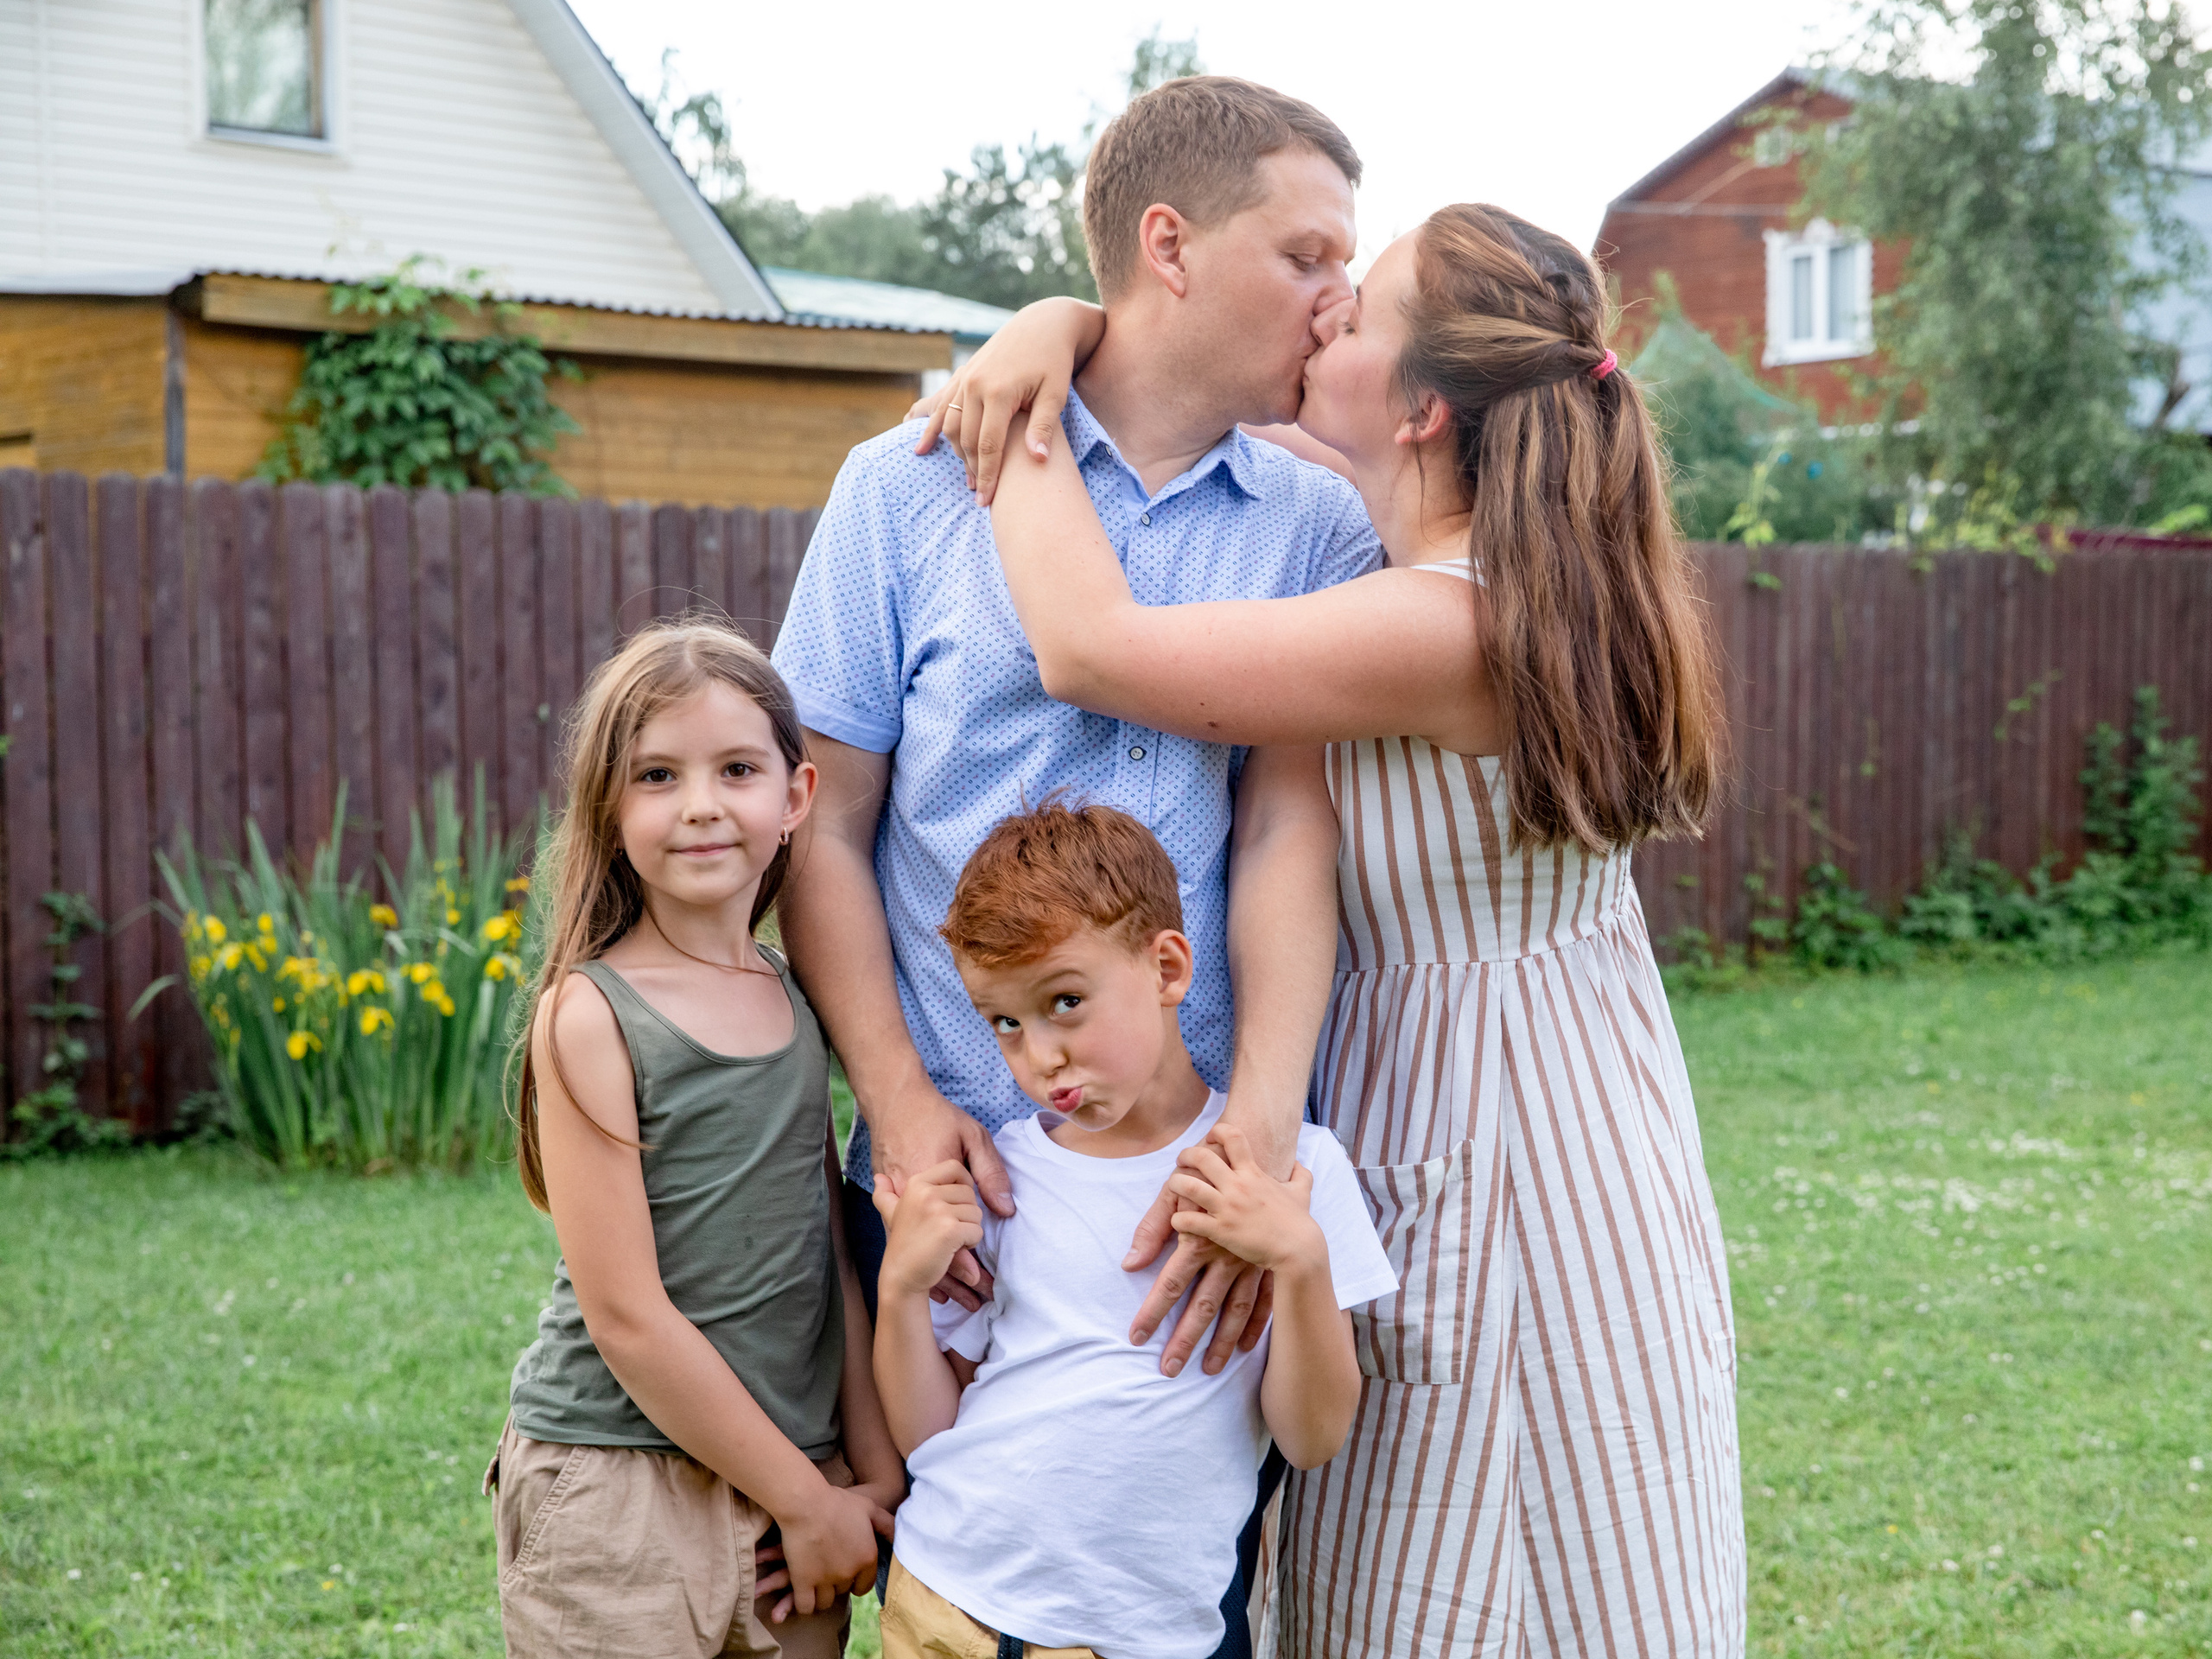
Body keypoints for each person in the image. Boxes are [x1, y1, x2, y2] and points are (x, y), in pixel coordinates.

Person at [926, 204, 1748, 1656]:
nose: (1321, 325)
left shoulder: (1445, 624)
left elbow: (1091, 647)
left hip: (1497, 1143)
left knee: (1498, 1559)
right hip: (1555, 1090)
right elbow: (1210, 405)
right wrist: (1054, 325)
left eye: (1355, 312)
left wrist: (1021, 422)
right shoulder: (1472, 572)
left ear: (1423, 409)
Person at [770, 76, 1380, 1655]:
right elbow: (822, 827)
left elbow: (1284, 828)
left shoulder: (1318, 526)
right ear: (1168, 245)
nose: (1342, 296)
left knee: (1167, 1589)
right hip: (950, 1181)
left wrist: (1260, 1119)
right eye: (1308, 255)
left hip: (1179, 1202)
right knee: (942, 1582)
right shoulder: (903, 487)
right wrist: (907, 1106)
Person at [870, 799, 1398, 1659]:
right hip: (949, 1601)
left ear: (1166, 967)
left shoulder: (1295, 1173)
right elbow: (931, 1436)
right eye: (1004, 1022)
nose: (1040, 1056)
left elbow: (1311, 1438)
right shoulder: (1002, 1179)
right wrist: (900, 1288)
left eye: (1065, 1002)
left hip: (1140, 1637)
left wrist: (1300, 1260)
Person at [491, 619, 903, 1659]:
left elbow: (823, 1258)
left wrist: (866, 1471)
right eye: (658, 777)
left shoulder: (792, 995)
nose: (703, 806)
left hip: (792, 1486)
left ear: (796, 796)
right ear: (608, 808)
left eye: (736, 769)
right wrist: (804, 1500)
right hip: (616, 1488)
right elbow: (627, 1319)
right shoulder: (591, 1014)